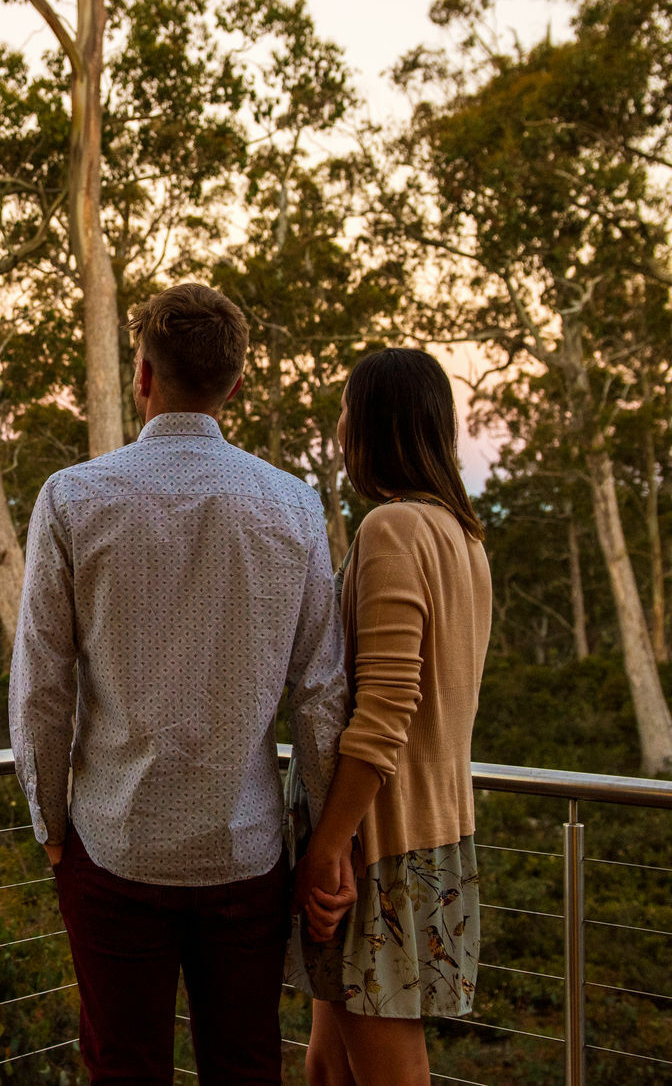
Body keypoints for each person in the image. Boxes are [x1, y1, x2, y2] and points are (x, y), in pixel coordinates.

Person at [10, 282, 351, 1084]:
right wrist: (322, 843)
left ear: (142, 375)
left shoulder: (72, 498)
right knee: (244, 1063)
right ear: (234, 387)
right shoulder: (295, 507)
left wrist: (49, 820)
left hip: (115, 843)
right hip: (246, 850)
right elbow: (321, 696)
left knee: (123, 1065)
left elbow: (42, 689)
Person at [292, 347, 493, 1086]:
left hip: (378, 842)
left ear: (373, 423)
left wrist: (328, 846)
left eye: (346, 409)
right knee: (330, 1059)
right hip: (431, 831)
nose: (339, 426)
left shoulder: (393, 529)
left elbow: (385, 708)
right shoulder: (464, 538)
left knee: (383, 1065)